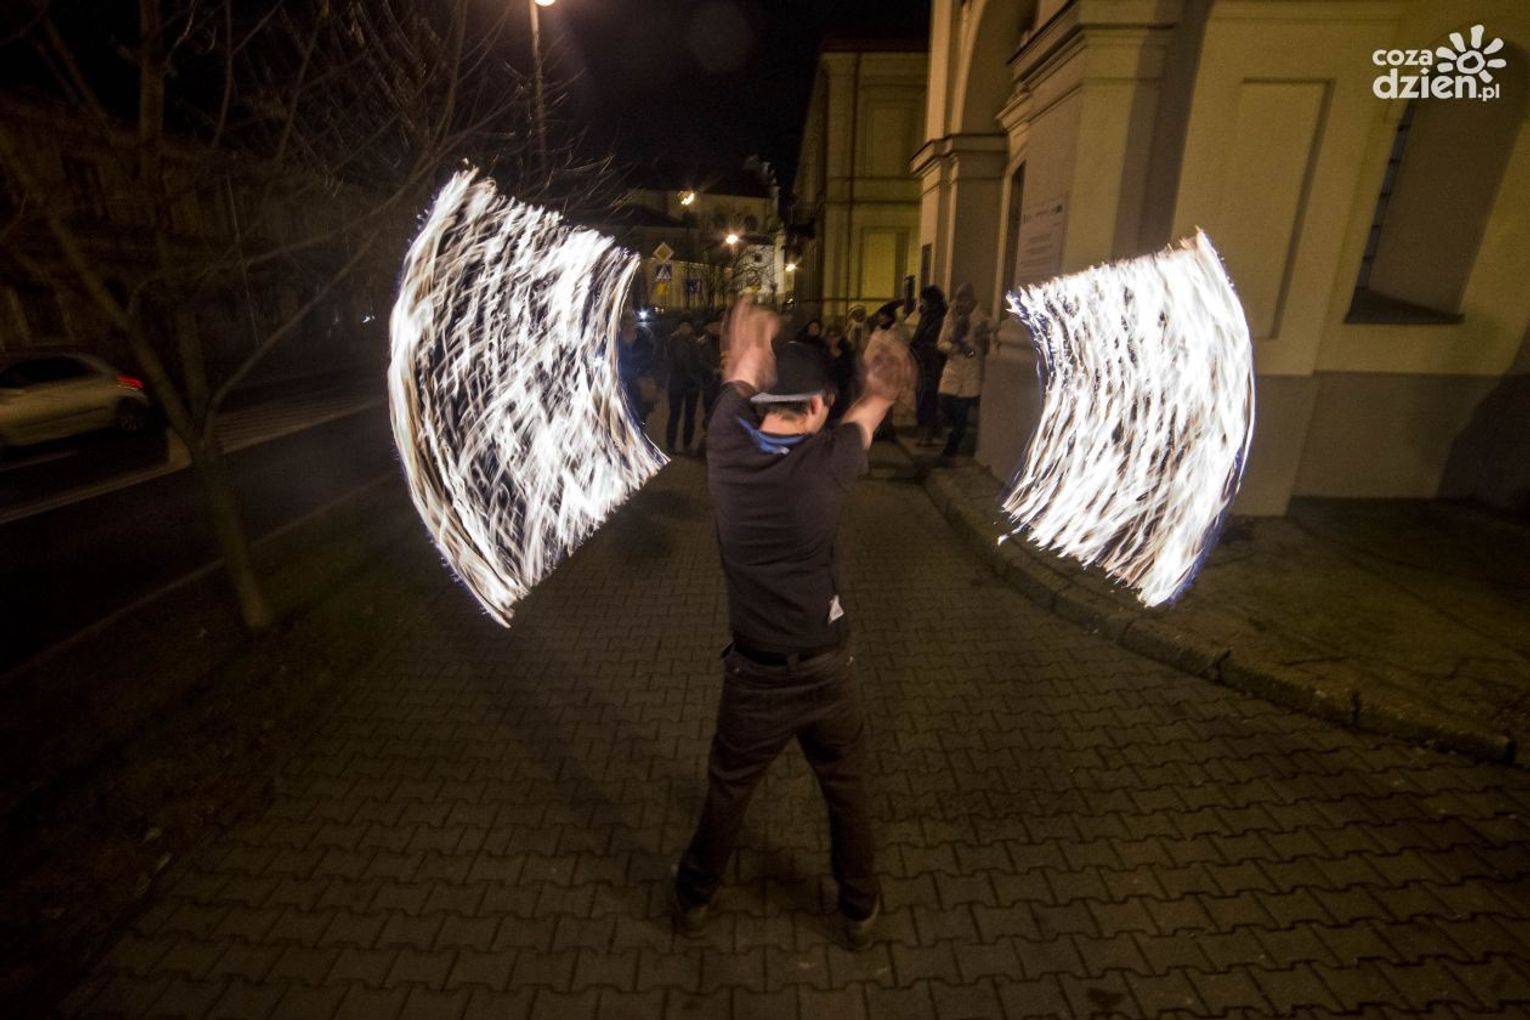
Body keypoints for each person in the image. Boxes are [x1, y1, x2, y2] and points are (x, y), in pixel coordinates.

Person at [669, 300, 914, 952]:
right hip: (827, 671)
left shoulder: (724, 446)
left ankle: (693, 895)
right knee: (846, 789)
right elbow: (872, 409)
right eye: (825, 404)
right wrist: (882, 383)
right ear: (813, 406)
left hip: (754, 673)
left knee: (728, 789)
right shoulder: (829, 462)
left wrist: (750, 356)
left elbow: (738, 383)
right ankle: (858, 909)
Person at [936, 282, 991, 459]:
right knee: (944, 402)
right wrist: (955, 348)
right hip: (953, 367)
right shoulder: (951, 316)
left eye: (965, 299)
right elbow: (941, 343)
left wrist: (972, 349)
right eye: (959, 299)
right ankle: (952, 435)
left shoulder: (982, 319)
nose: (961, 303)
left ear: (972, 300)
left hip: (970, 371)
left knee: (961, 413)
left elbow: (982, 348)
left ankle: (952, 446)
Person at [907, 286, 947, 446]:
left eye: (923, 299)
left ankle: (927, 433)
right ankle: (922, 431)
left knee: (928, 397)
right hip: (922, 360)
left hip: (931, 362)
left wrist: (918, 346)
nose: (921, 302)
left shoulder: (938, 316)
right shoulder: (926, 314)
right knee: (921, 396)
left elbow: (930, 337)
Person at [664, 316, 704, 454]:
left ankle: (687, 444)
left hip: (692, 384)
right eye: (682, 325)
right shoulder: (672, 341)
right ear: (678, 327)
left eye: (688, 326)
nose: (685, 328)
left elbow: (699, 362)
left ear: (691, 328)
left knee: (690, 416)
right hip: (677, 382)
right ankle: (670, 444)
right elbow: (667, 360)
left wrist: (697, 379)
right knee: (674, 414)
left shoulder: (696, 342)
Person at [616, 309, 658, 427]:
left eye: (631, 323)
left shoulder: (645, 340)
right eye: (625, 324)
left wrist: (643, 373)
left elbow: (652, 360)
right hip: (622, 385)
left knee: (640, 419)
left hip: (640, 386)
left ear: (635, 323)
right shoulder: (616, 341)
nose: (628, 327)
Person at [826, 320, 857, 424]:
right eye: (830, 336)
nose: (832, 339)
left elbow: (850, 369)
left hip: (843, 387)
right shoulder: (823, 350)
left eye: (835, 336)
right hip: (827, 387)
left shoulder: (846, 351)